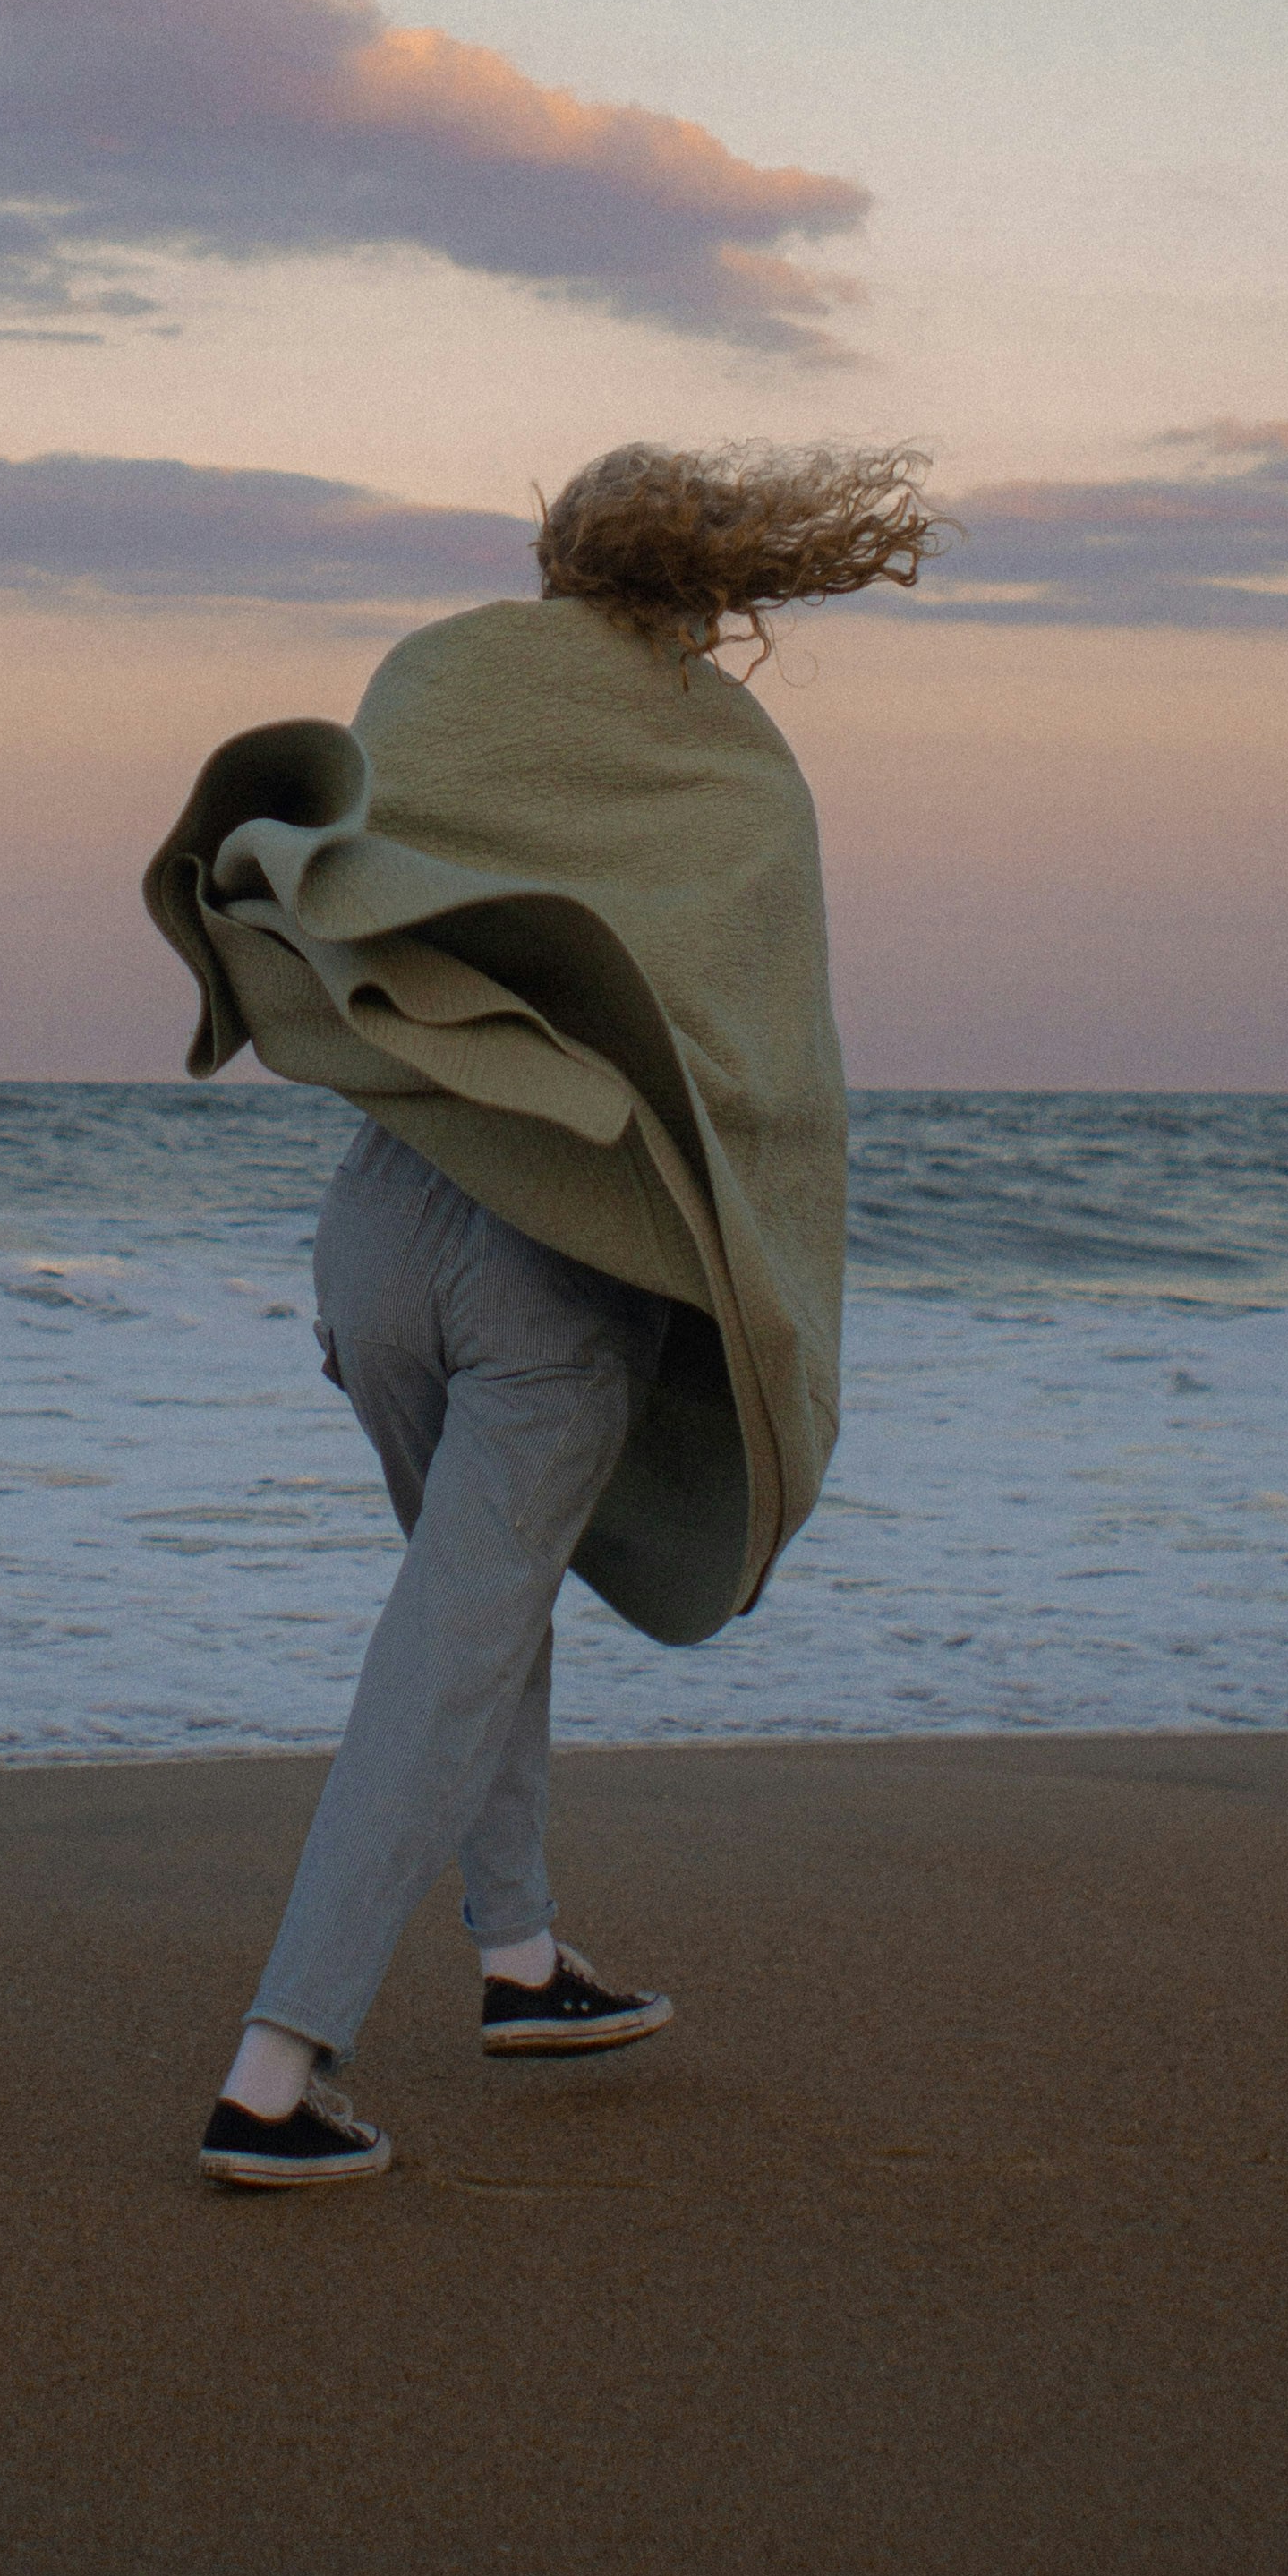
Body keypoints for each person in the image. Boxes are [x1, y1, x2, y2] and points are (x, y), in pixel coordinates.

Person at [142, 436, 936, 2188]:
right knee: (447, 1639)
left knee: (466, 1604)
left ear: (552, 551)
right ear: (714, 588)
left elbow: (368, 886)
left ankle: (524, 1965)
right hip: (546, 1248)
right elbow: (744, 1046)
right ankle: (273, 2073)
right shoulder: (725, 756)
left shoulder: (437, 673)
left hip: (373, 1225)